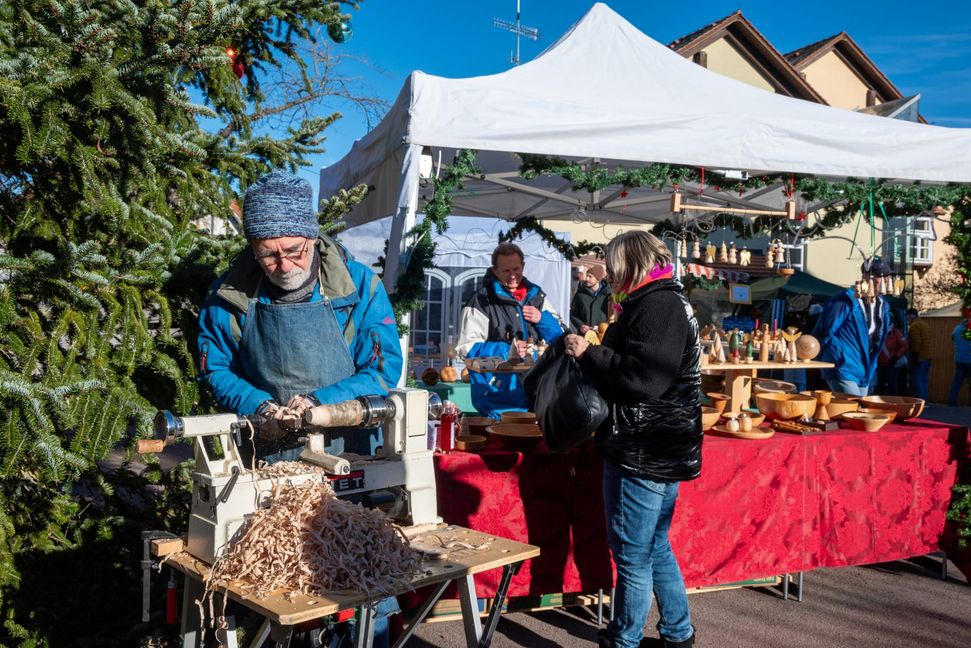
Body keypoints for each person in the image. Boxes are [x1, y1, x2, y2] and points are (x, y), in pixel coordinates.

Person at [197, 171, 403, 645]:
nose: (283, 263)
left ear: (312, 236)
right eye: (268, 253)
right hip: (268, 461)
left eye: (294, 250)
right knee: (281, 593)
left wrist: (318, 405)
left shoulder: (358, 287)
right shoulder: (230, 295)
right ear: (252, 246)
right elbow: (215, 368)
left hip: (348, 454)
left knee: (361, 586)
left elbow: (381, 368)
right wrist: (259, 405)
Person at [563, 231, 700, 648]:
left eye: (612, 263)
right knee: (654, 546)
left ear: (630, 263)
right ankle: (678, 634)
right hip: (661, 443)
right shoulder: (662, 299)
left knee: (633, 555)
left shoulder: (657, 304)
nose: (608, 272)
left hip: (644, 447)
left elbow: (644, 379)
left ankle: (624, 640)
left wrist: (590, 352)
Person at [456, 242, 566, 418]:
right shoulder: (481, 302)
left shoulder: (538, 298)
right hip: (499, 401)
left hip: (541, 397)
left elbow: (562, 338)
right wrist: (507, 351)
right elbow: (466, 348)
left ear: (523, 266)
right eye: (506, 271)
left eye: (516, 269)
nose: (513, 276)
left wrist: (543, 320)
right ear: (495, 270)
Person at [813, 257, 892, 396]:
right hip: (843, 365)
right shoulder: (846, 300)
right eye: (881, 275)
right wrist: (822, 359)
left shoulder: (882, 305)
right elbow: (824, 330)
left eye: (887, 275)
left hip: (865, 369)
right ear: (866, 276)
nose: (886, 279)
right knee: (854, 407)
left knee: (857, 412)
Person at [571, 264, 612, 334]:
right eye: (587, 275)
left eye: (590, 276)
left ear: (598, 279)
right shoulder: (580, 294)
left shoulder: (609, 295)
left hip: (603, 336)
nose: (587, 278)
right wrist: (581, 326)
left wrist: (602, 327)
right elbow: (573, 314)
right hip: (584, 336)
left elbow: (613, 316)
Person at [877, 316, 908, 396]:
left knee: (892, 382)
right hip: (880, 363)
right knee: (880, 383)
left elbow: (904, 346)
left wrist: (896, 357)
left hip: (892, 363)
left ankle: (893, 401)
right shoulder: (876, 331)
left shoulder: (896, 333)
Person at [907, 307, 932, 401]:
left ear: (910, 316)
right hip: (928, 356)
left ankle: (920, 402)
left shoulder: (915, 326)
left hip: (920, 357)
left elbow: (915, 342)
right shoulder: (924, 324)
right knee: (924, 380)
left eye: (908, 317)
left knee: (918, 380)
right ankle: (925, 401)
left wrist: (914, 356)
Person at [948, 315, 971, 406]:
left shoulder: (957, 329)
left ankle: (952, 400)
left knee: (957, 381)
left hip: (958, 359)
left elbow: (953, 338)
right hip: (969, 360)